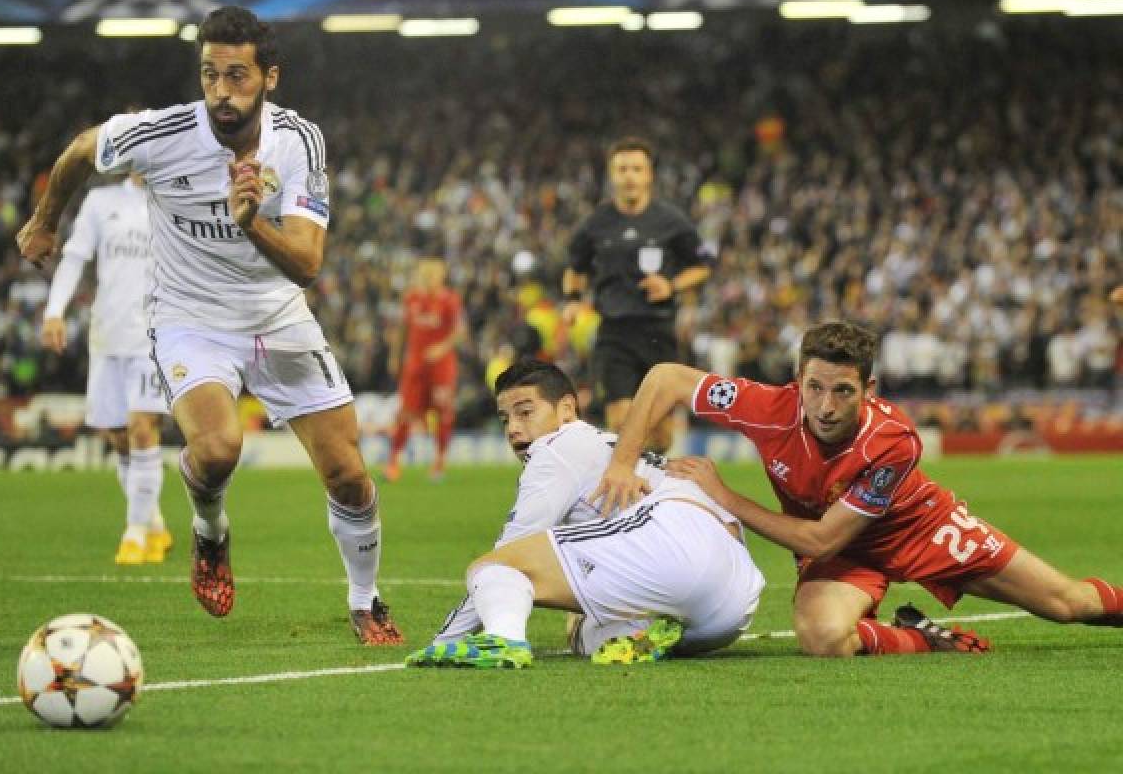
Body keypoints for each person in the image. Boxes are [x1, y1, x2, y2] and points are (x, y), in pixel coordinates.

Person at [16, 6, 402, 645]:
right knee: (219, 448)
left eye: (237, 76)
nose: (221, 91)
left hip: (278, 316)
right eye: (209, 75)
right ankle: (209, 530)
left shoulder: (300, 142)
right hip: (190, 317)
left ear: (269, 78)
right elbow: (84, 148)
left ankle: (365, 599)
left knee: (349, 474)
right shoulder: (164, 133)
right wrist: (46, 218)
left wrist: (252, 222)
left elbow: (306, 264)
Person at [595, 320, 1123, 657]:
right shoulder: (766, 407)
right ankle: (921, 639)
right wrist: (622, 463)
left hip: (917, 528)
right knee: (823, 637)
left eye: (842, 391)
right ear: (798, 379)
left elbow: (822, 541)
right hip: (847, 548)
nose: (825, 406)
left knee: (1066, 603)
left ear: (868, 390)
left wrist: (725, 495)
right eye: (814, 388)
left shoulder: (893, 442)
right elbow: (665, 377)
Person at [405, 359, 765, 668]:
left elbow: (509, 555)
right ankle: (640, 632)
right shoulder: (604, 446)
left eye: (525, 412)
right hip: (731, 605)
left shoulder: (559, 446)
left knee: (493, 567)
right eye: (505, 419)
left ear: (566, 410)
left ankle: (502, 639)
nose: (513, 428)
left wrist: (444, 641)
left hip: (676, 541)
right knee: (580, 626)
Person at [40, 171, 172, 565]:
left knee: (142, 428)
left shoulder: (176, 200)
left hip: (154, 335)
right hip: (107, 333)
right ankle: (154, 523)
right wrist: (54, 311)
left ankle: (133, 534)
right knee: (118, 435)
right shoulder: (101, 202)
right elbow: (75, 257)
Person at [561, 136, 714, 452]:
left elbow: (703, 265)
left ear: (649, 175)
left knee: (661, 436)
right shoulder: (596, 224)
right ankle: (631, 494)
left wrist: (671, 285)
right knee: (622, 421)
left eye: (636, 168)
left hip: (658, 332)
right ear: (612, 175)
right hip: (614, 333)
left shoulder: (671, 221)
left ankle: (652, 485)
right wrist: (573, 301)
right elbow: (575, 268)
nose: (629, 175)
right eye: (622, 169)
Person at [384, 256, 466, 483]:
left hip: (442, 367)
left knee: (442, 414)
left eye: (433, 274)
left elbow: (459, 332)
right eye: (425, 274)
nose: (429, 278)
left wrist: (442, 347)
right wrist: (395, 355)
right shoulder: (411, 299)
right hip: (415, 366)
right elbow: (402, 329)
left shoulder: (450, 300)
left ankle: (439, 462)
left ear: (441, 276)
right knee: (406, 413)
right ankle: (393, 462)